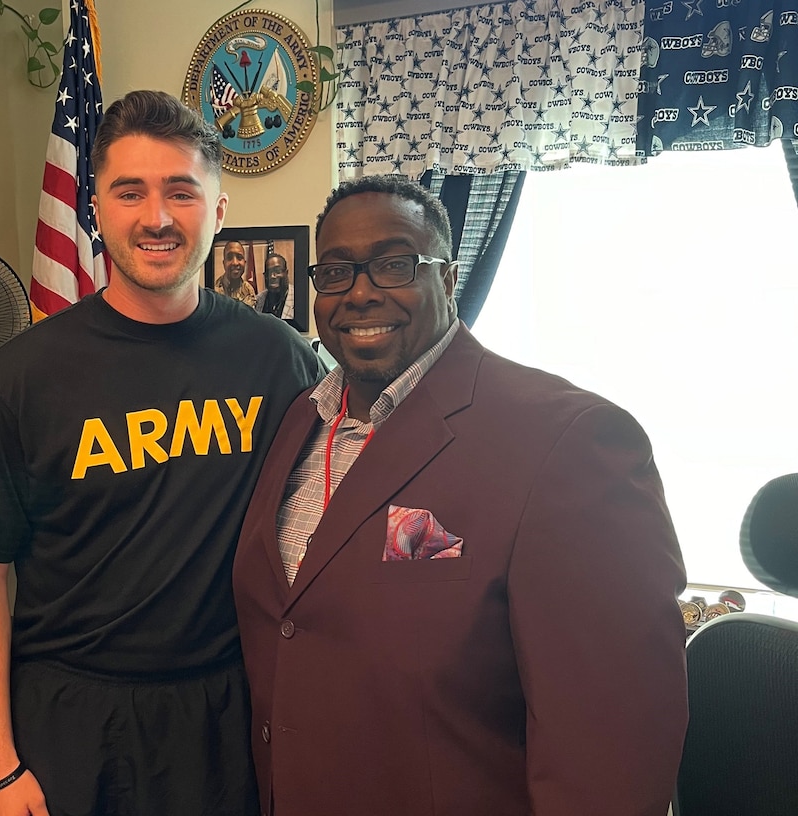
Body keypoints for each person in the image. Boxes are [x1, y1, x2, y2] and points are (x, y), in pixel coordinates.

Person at [232, 175, 689, 816]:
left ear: (447, 280)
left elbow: (612, 742)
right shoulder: (298, 420)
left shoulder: (569, 441)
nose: (360, 292)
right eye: (335, 272)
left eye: (393, 264)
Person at [0, 89, 324, 816]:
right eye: (130, 192)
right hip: (73, 718)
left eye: (182, 191)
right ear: (95, 208)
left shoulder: (278, 361)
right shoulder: (22, 376)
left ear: (217, 209)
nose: (156, 217)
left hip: (230, 710)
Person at [253, 252, 295, 324]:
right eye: (269, 272)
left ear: (286, 273)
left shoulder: (298, 299)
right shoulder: (258, 300)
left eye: (277, 271)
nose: (272, 276)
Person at [214, 239, 257, 306]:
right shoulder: (213, 291)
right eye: (230, 257)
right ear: (224, 263)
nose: (235, 263)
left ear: (245, 263)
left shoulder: (249, 290)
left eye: (239, 257)